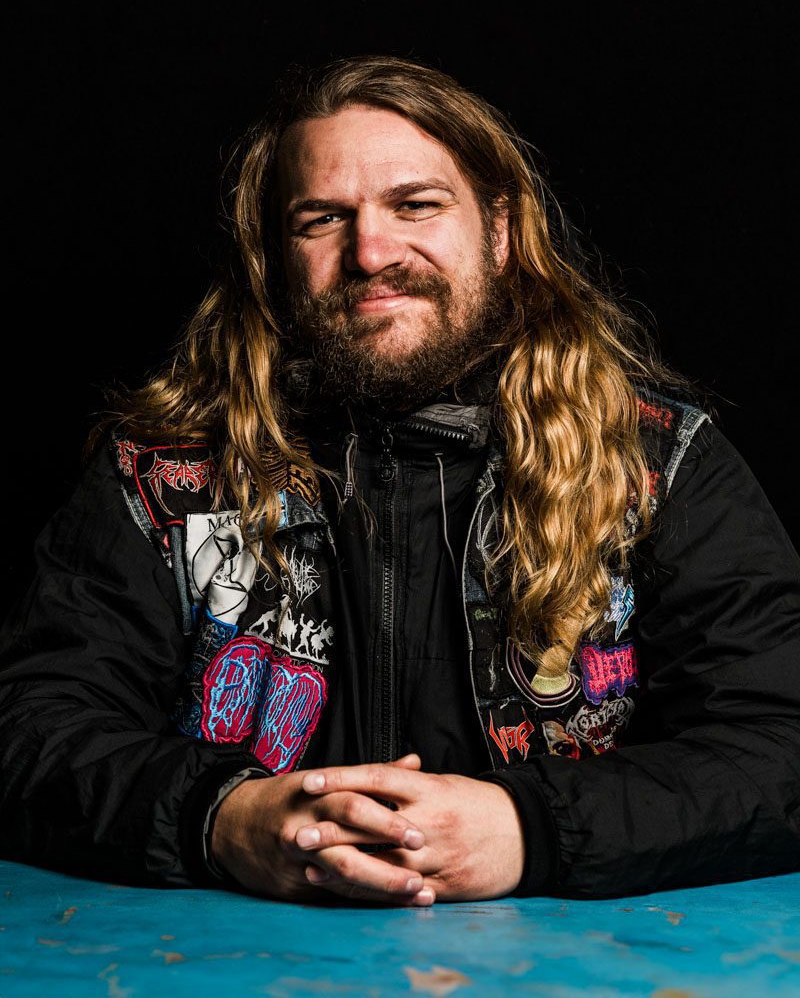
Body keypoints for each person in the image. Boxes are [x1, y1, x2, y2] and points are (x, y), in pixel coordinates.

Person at [1, 56, 798, 905]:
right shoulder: (161, 472)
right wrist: (224, 818)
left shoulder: (655, 462)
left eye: (415, 204)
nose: (371, 252)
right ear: (276, 254)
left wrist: (530, 830)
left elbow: (780, 740)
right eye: (321, 219)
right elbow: (30, 730)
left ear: (498, 230)